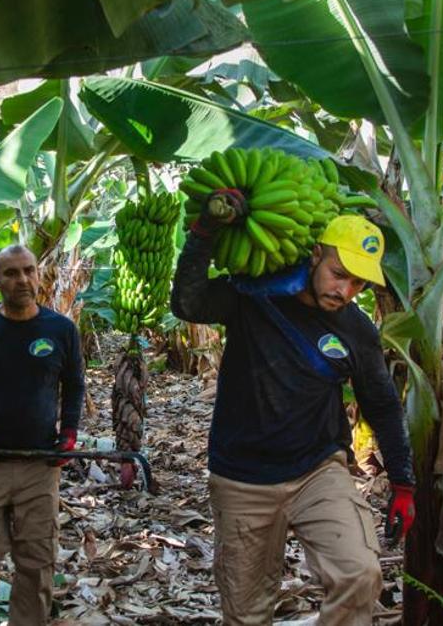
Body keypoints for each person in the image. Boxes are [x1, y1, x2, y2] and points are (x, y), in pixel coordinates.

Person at [171, 190, 416, 625]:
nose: (346, 291)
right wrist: (204, 232)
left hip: (317, 471)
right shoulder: (252, 296)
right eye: (339, 274)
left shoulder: (357, 330)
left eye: (359, 283)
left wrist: (403, 482)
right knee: (246, 613)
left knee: (360, 573)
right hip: (242, 477)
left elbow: (380, 403)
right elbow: (187, 303)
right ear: (316, 254)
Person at [0, 244, 85, 626]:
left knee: (37, 559)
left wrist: (69, 432)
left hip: (39, 464)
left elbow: (73, 386)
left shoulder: (60, 329)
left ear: (38, 275)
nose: (22, 279)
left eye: (28, 270)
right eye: (11, 273)